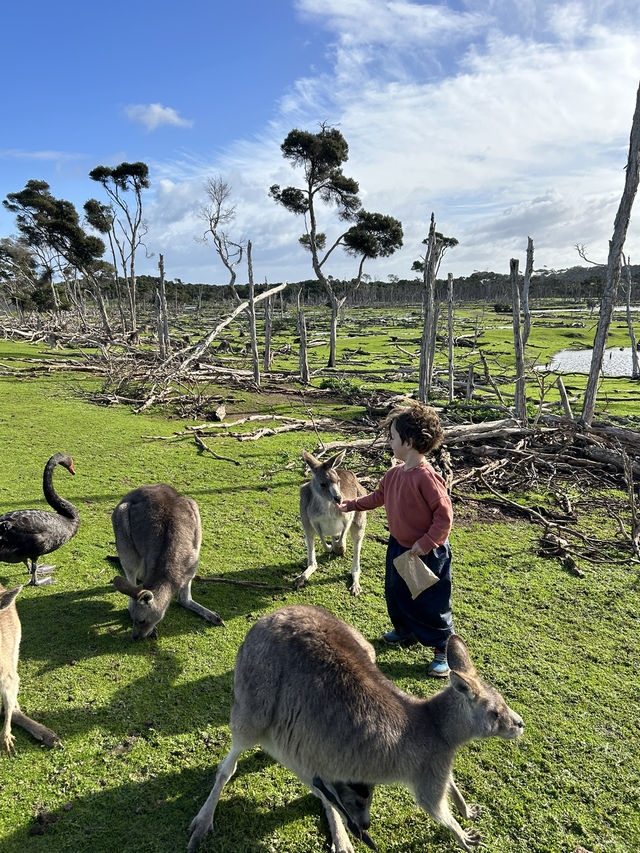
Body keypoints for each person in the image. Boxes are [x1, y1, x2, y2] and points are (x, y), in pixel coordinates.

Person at [338, 400, 454, 677]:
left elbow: (444, 516)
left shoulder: (427, 478)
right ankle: (405, 631)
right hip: (399, 547)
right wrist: (351, 504)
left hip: (427, 553)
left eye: (393, 437)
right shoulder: (393, 474)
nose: (389, 442)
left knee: (430, 601)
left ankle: (442, 648)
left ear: (410, 441)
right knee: (397, 593)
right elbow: (378, 498)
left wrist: (426, 543)